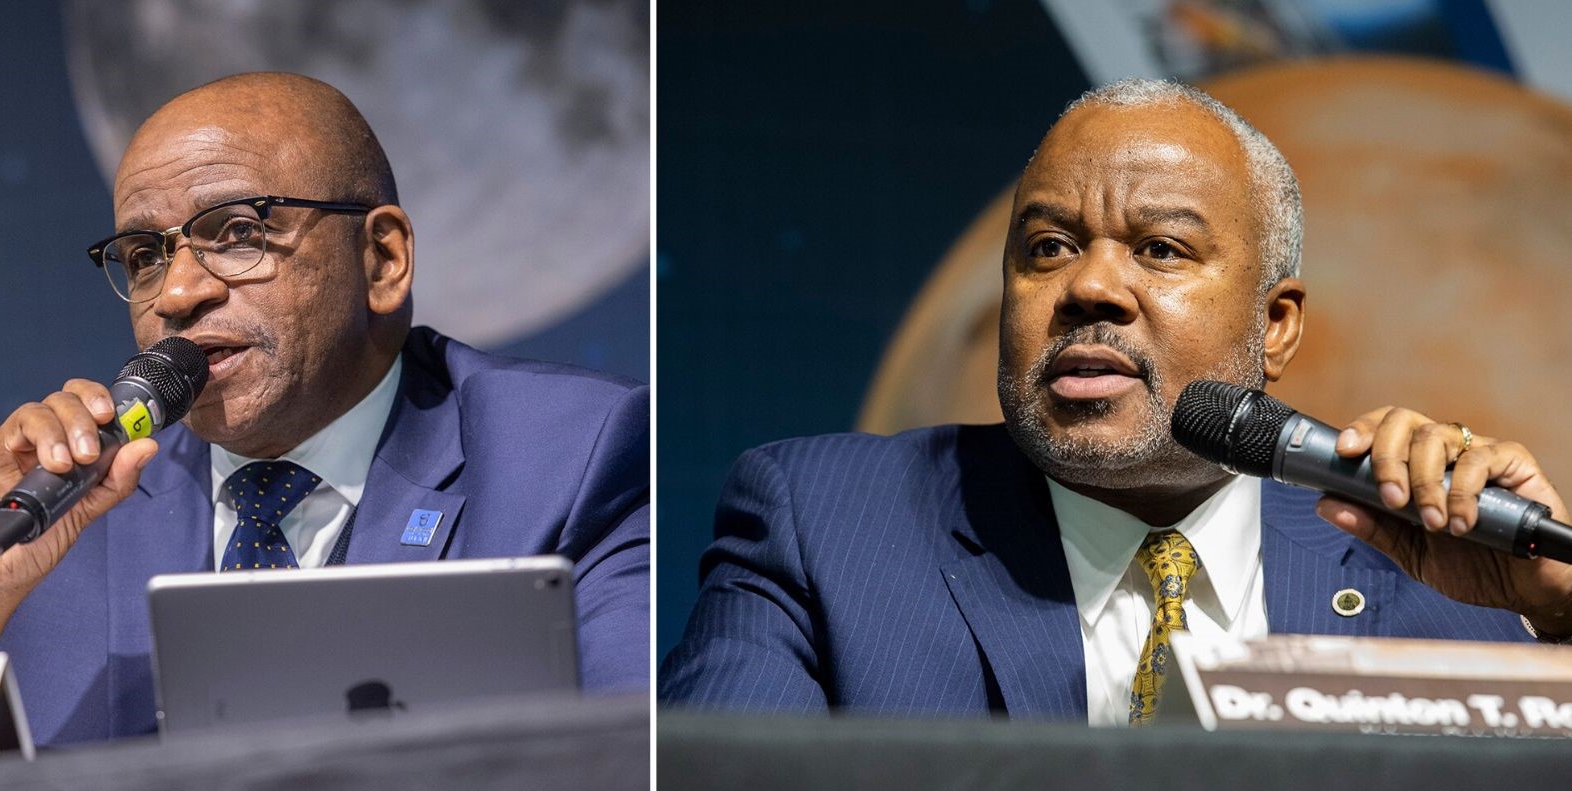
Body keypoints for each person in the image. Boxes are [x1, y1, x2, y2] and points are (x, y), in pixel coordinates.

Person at [659, 79, 1571, 726]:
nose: (1090, 284)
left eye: (1161, 250)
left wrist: (1558, 621)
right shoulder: (823, 524)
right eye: (1048, 246)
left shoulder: (1448, 568)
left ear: (1277, 327)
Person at [0, 72, 649, 745]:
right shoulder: (64, 504)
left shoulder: (571, 458)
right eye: (143, 255)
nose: (177, 292)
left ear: (383, 258)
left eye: (237, 231)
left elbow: (628, 756)